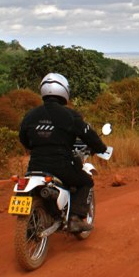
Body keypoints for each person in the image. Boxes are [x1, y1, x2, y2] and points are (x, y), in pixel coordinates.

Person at [19, 73, 107, 232]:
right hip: (61, 164)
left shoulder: (30, 115)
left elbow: (23, 139)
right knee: (86, 181)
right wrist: (101, 147)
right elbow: (88, 134)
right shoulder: (70, 115)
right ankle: (75, 218)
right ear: (64, 90)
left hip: (35, 166)